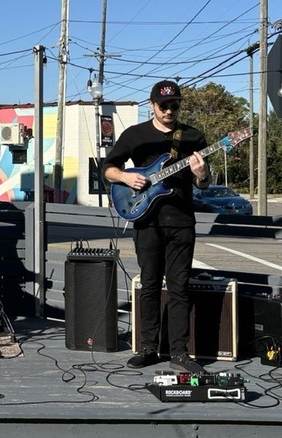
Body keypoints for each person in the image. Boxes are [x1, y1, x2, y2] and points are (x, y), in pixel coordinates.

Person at [102, 80, 211, 373]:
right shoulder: (135, 135)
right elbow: (108, 169)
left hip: (182, 222)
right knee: (149, 285)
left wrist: (201, 174)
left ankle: (179, 352)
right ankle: (148, 347)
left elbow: (204, 182)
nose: (169, 110)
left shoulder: (192, 136)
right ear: (151, 105)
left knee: (179, 288)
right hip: (146, 219)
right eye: (163, 105)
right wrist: (126, 178)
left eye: (174, 105)